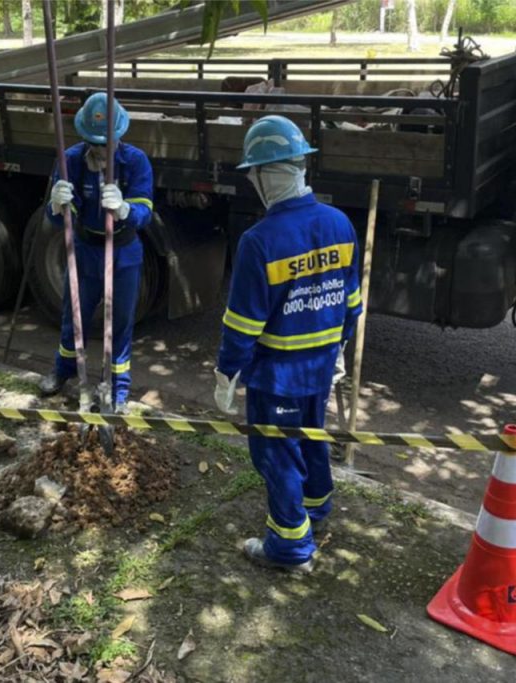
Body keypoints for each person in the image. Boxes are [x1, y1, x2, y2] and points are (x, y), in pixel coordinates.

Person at [214, 115, 362, 573]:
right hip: (318, 371)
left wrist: (226, 373)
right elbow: (351, 305)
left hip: (276, 376)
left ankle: (290, 547)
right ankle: (316, 508)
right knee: (312, 438)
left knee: (274, 453)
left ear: (264, 175)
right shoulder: (339, 223)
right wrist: (336, 350)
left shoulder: (259, 241)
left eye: (253, 174)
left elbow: (243, 323)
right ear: (299, 167)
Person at [39, 92, 154, 413]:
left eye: (106, 143)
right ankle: (63, 371)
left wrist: (125, 209)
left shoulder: (135, 162)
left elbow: (145, 210)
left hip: (124, 253)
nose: (100, 150)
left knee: (120, 324)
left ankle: (117, 390)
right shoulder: (72, 160)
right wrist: (57, 204)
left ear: (120, 135)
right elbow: (57, 216)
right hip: (86, 249)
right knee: (73, 316)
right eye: (94, 142)